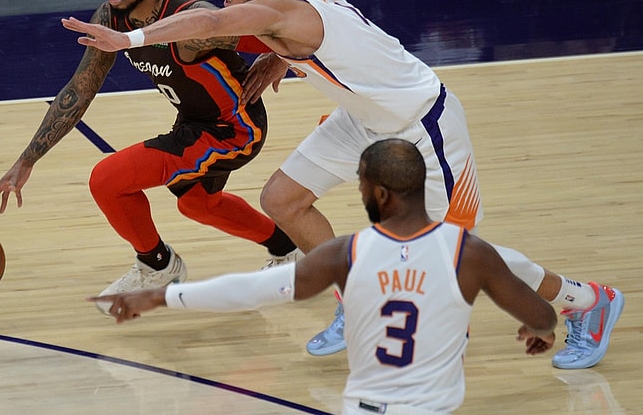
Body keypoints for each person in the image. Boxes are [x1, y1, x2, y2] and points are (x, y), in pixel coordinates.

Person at [60, 0, 623, 368]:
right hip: (364, 117)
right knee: (282, 199)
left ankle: (587, 302)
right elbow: (323, 32)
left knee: (455, 256)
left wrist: (128, 38)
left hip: (421, 125)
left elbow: (212, 24)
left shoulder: (278, 7)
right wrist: (281, 56)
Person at [89, 139, 559, 415]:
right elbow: (539, 313)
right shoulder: (472, 254)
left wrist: (163, 299)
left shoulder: (345, 255)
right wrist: (538, 328)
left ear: (377, 193)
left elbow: (249, 290)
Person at [0, 0, 302, 315]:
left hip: (232, 128)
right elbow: (81, 89)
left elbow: (292, 29)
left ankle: (158, 266)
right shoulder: (111, 16)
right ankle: (290, 249)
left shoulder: (192, 19)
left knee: (108, 179)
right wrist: (27, 160)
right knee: (197, 204)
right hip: (195, 122)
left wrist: (280, 59)